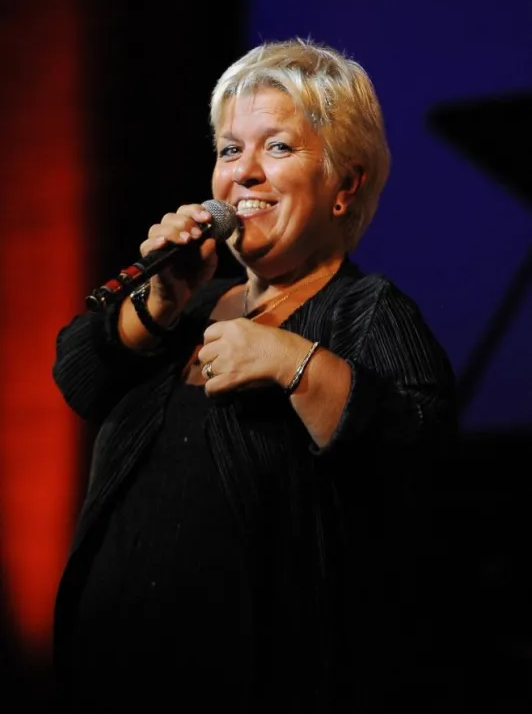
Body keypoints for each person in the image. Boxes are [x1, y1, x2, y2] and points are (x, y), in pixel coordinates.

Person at [52, 38, 456, 713]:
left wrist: (293, 363)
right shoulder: (188, 304)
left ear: (345, 184)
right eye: (229, 150)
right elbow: (79, 378)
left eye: (278, 148)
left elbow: (422, 452)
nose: (245, 174)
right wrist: (159, 303)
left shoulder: (368, 310)